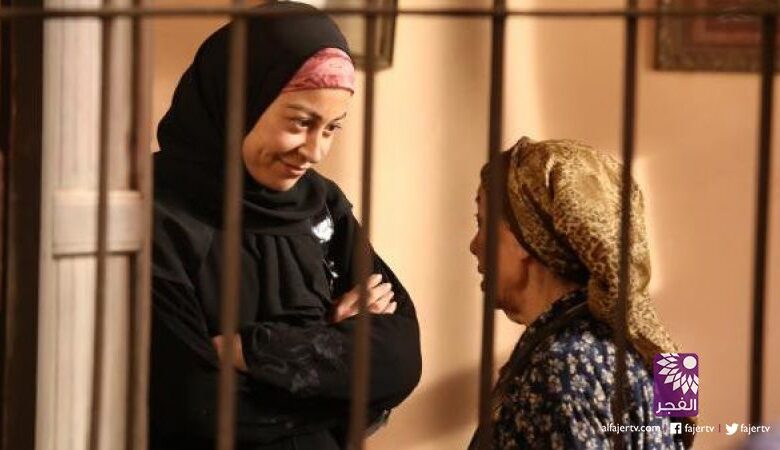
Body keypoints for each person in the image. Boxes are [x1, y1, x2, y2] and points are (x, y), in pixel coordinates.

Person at [149, 2, 421, 449]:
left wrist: (255, 351)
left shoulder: (322, 206)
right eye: (300, 122)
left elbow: (401, 358)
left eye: (331, 129)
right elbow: (193, 404)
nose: (315, 151)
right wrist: (341, 375)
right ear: (237, 103)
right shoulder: (160, 216)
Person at [468, 137, 691, 449]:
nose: (474, 245)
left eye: (482, 224)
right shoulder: (645, 345)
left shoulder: (559, 366)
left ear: (524, 236)